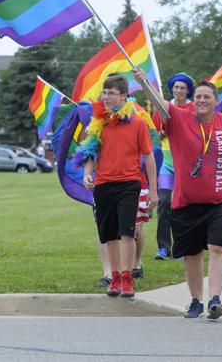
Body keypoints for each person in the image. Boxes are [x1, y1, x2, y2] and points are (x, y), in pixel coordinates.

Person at [135, 71, 222, 320]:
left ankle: (215, 299)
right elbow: (162, 107)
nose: (202, 100)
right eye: (199, 96)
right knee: (192, 255)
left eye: (207, 97)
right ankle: (196, 300)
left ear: (216, 101)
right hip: (186, 202)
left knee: (218, 247)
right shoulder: (180, 118)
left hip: (221, 200)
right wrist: (145, 84)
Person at [77, 75, 159, 298]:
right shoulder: (98, 124)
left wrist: (153, 191)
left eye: (111, 93)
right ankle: (114, 277)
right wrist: (86, 174)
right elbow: (90, 152)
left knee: (127, 232)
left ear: (124, 96)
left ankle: (127, 277)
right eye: (104, 92)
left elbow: (149, 157)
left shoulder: (139, 123)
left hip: (129, 184)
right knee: (109, 235)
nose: (106, 96)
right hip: (103, 185)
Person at [155, 72, 197, 261]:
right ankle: (163, 248)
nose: (179, 90)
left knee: (183, 206)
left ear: (188, 91)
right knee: (164, 201)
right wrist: (161, 133)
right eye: (176, 87)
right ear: (172, 88)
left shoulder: (194, 108)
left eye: (183, 88)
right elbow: (155, 133)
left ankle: (182, 247)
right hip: (167, 163)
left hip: (186, 164)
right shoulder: (163, 107)